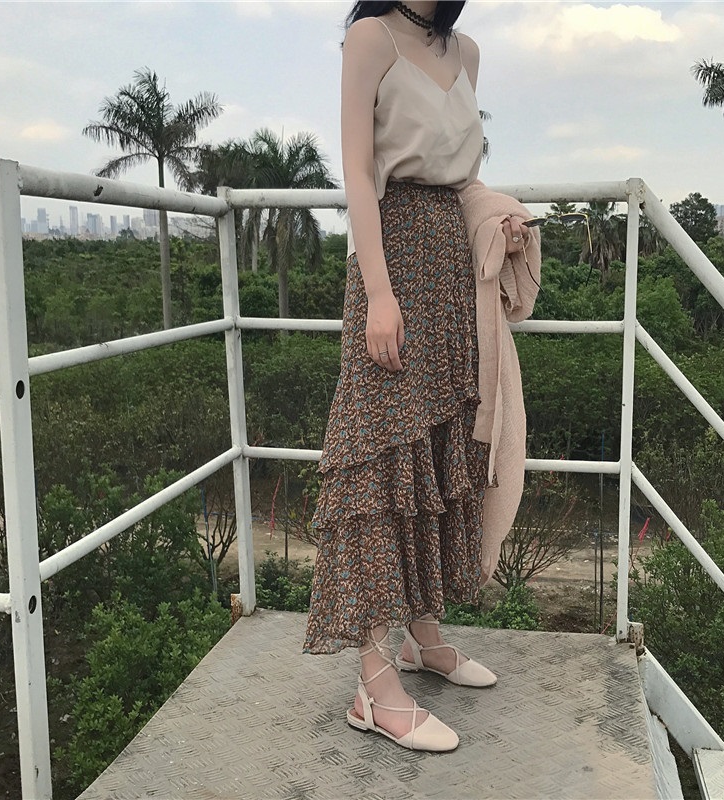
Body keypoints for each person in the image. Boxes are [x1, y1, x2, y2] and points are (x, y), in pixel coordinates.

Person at [302, 1, 530, 752]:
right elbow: (358, 171)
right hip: (392, 263)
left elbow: (464, 181)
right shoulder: (370, 39)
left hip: (452, 273)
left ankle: (421, 638)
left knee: (435, 452)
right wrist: (378, 292)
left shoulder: (466, 52)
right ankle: (373, 686)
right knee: (376, 460)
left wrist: (497, 219)